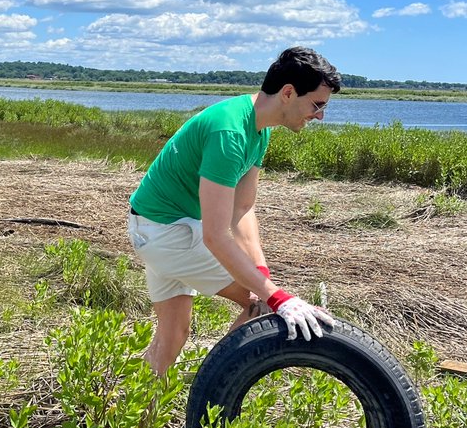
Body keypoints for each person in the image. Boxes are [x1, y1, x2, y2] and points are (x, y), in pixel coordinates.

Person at [128, 45, 339, 376]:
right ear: (288, 92)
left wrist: (262, 273)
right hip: (167, 233)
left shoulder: (258, 128)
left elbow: (242, 209)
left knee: (172, 335)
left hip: (158, 228)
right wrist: (277, 297)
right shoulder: (229, 132)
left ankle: (133, 420)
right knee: (262, 308)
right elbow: (215, 235)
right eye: (317, 104)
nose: (320, 115)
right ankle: (213, 392)